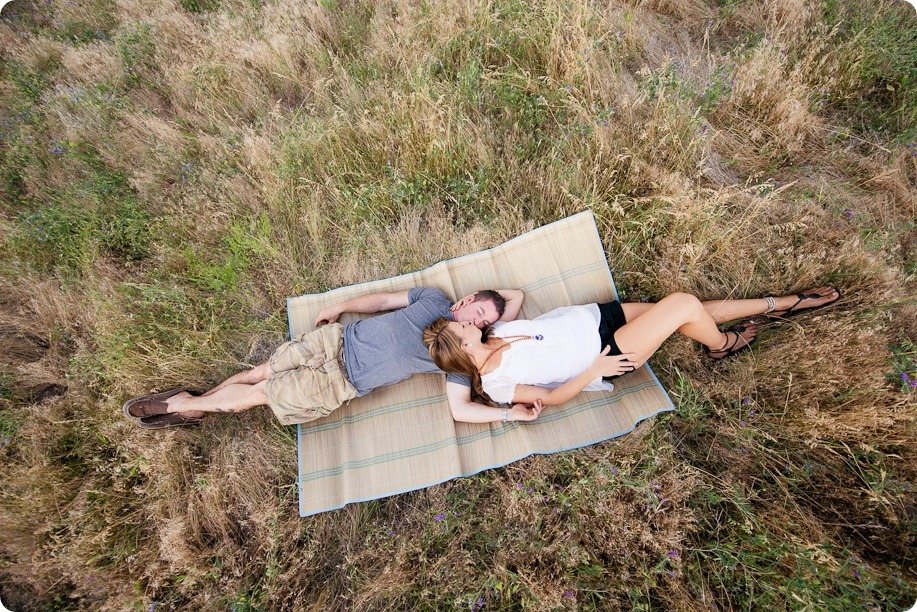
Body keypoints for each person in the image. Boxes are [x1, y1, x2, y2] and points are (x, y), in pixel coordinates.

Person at [424, 287, 840, 424]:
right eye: (463, 327)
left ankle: (781, 302)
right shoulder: (496, 385)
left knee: (687, 311)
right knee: (681, 304)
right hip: (607, 352)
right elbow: (550, 398)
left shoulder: (493, 328)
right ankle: (723, 345)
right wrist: (595, 371)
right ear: (463, 346)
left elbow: (508, 298)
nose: (469, 323)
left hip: (595, 316)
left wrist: (471, 308)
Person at [123, 287, 524, 429]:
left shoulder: (458, 357)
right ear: (467, 299)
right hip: (335, 340)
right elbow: (384, 300)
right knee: (259, 371)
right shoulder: (434, 298)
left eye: (485, 323)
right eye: (478, 312)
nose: (479, 322)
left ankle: (181, 404)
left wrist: (509, 412)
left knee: (262, 392)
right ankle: (193, 409)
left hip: (340, 382)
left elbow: (515, 302)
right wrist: (341, 305)